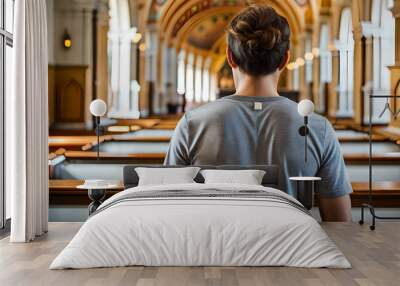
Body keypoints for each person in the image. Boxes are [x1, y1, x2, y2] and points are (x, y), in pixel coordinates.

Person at [164, 4, 352, 221]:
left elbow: (169, 211)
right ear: (284, 60)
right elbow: (340, 224)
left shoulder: (191, 125)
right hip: (292, 253)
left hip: (212, 253)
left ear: (230, 57)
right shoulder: (318, 128)